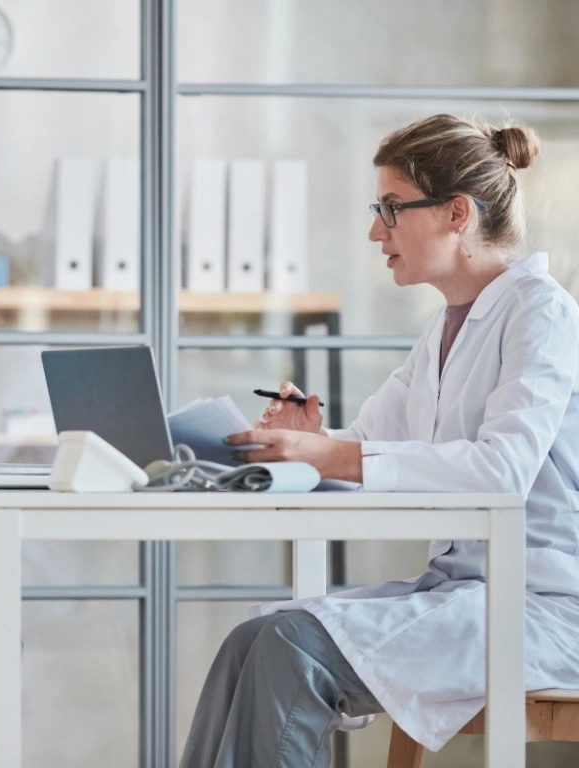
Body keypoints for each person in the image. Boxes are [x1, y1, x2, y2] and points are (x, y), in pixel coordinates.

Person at [180, 113, 579, 767]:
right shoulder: (446, 329)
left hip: (545, 610)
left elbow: (502, 471)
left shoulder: (542, 312)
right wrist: (314, 440)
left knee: (292, 650)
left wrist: (332, 453)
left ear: (457, 213)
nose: (375, 231)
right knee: (251, 640)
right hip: (465, 594)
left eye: (391, 210)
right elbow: (369, 446)